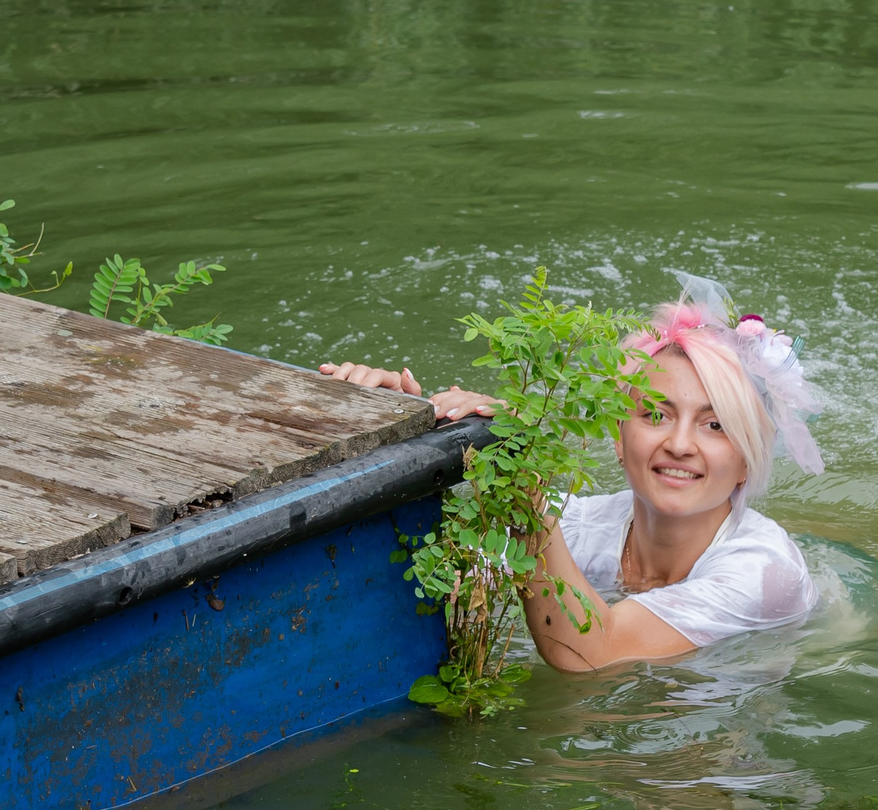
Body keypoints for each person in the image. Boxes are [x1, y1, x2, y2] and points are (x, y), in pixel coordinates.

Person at [319, 277, 823, 669]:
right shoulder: (587, 527)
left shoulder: (764, 572)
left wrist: (526, 471)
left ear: (746, 461)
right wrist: (398, 430)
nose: (680, 444)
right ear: (618, 437)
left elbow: (591, 655)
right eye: (655, 414)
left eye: (715, 425)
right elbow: (435, 552)